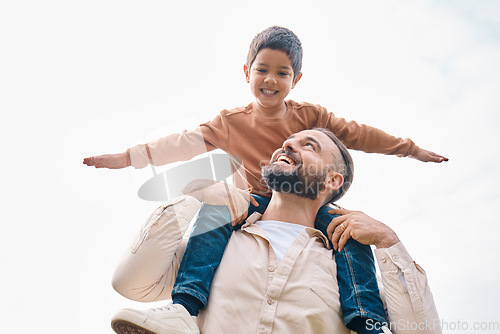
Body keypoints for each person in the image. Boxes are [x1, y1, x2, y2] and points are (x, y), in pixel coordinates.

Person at [83, 26, 448, 332]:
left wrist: (410, 149)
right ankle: (184, 309)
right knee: (216, 210)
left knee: (348, 235)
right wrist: (130, 158)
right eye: (262, 70)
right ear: (246, 72)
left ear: (296, 79)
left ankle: (367, 323)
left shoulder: (312, 116)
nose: (271, 80)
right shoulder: (229, 122)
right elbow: (181, 144)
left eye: (282, 72)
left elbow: (361, 134)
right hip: (249, 205)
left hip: (313, 210)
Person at [111, 128, 442, 334]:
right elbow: (130, 282)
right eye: (287, 142)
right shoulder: (215, 244)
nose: (287, 145)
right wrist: (194, 197)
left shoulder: (353, 273)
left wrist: (388, 242)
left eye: (309, 145)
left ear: (333, 180)